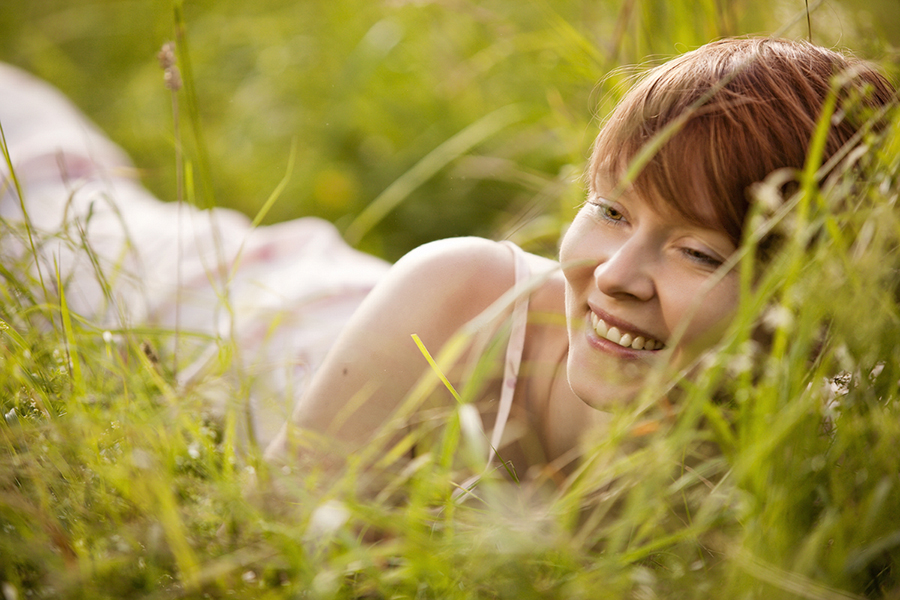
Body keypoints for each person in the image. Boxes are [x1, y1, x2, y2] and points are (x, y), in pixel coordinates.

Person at [0, 38, 894, 487]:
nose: (616, 273)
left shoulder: (816, 465)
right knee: (50, 202)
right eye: (609, 208)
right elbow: (260, 557)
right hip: (219, 300)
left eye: (698, 249)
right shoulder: (461, 289)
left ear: (819, 294)